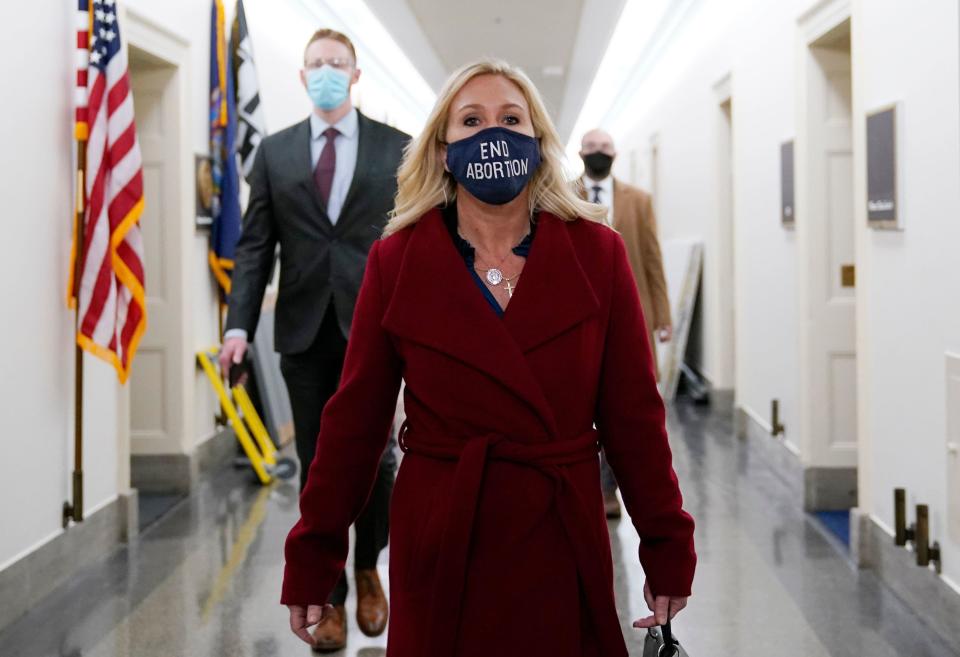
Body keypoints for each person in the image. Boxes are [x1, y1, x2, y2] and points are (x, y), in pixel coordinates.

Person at [282, 58, 696, 657]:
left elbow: (634, 415)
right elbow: (355, 422)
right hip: (443, 531)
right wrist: (314, 553)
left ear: (537, 140)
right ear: (442, 146)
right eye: (471, 119)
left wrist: (665, 545)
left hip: (560, 532)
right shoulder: (397, 261)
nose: (492, 134)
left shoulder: (597, 255)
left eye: (510, 118)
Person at [219, 28, 408, 650]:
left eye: (338, 63)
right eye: (316, 64)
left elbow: (411, 246)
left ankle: (367, 566)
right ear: (303, 78)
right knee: (316, 464)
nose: (327, 71)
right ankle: (328, 592)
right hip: (302, 330)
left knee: (379, 460)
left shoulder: (396, 150)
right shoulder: (272, 154)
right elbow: (254, 249)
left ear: (355, 75)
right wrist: (239, 326)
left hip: (374, 331)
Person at [578, 128, 673, 519]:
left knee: (626, 403)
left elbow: (651, 258)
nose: (598, 154)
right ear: (581, 154)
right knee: (584, 398)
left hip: (631, 312)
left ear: (614, 154)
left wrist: (663, 314)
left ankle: (610, 488)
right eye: (591, 149)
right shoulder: (562, 194)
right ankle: (588, 482)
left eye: (604, 149)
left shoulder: (638, 200)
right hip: (581, 313)